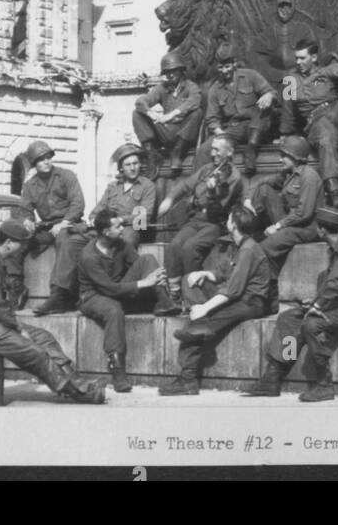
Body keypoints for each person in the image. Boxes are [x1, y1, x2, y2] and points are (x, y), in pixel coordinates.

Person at [241, 207, 338, 402]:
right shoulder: (336, 247)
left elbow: (337, 281)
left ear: (321, 230)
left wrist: (318, 306)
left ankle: (324, 384)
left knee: (311, 325)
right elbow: (331, 282)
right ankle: (275, 374)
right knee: (288, 318)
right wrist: (314, 301)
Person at [0, 220, 104, 405]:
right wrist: (19, 328)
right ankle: (78, 393)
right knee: (35, 352)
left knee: (44, 337)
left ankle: (78, 382)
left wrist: (16, 326)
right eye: (22, 243)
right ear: (9, 242)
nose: (24, 247)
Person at [158, 204, 270, 396]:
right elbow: (221, 272)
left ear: (233, 225)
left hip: (250, 302)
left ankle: (188, 379)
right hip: (237, 296)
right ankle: (196, 316)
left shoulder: (248, 250)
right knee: (189, 280)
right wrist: (204, 273)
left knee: (201, 321)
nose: (226, 222)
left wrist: (205, 308)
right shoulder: (237, 245)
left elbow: (233, 290)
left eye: (228, 219)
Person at [153, 134, 243, 316]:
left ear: (229, 152)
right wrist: (169, 199)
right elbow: (186, 186)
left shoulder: (234, 177)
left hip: (214, 223)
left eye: (217, 149)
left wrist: (212, 191)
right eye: (212, 148)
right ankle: (175, 295)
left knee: (190, 248)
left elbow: (220, 207)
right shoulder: (207, 169)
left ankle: (192, 294)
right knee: (174, 246)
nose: (212, 152)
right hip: (196, 220)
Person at [77, 208, 164, 393]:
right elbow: (108, 288)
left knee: (148, 258)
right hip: (93, 296)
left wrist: (156, 276)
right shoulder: (89, 256)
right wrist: (144, 282)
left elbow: (139, 264)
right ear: (106, 232)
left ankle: (165, 302)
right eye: (118, 226)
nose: (123, 229)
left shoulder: (121, 244)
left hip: (116, 290)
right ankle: (117, 371)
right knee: (113, 310)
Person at [280, 40, 338, 209]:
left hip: (336, 114)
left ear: (313, 57)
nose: (298, 62)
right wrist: (285, 135)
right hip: (316, 122)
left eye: (302, 58)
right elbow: (287, 110)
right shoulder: (290, 80)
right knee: (325, 135)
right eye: (296, 58)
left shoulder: (326, 71)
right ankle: (333, 188)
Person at [17, 139, 88, 316]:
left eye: (48, 157)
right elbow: (25, 210)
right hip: (47, 227)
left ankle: (58, 295)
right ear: (34, 164)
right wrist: (27, 221)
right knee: (18, 242)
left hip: (70, 224)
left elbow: (78, 204)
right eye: (41, 159)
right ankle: (15, 287)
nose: (47, 161)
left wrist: (63, 223)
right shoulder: (30, 185)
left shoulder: (66, 176)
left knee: (65, 240)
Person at [252, 135, 323, 304]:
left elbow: (303, 214)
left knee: (266, 246)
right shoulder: (289, 174)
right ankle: (248, 225)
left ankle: (270, 295)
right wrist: (249, 199)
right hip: (291, 222)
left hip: (308, 227)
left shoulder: (309, 177)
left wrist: (277, 226)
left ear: (296, 157)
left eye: (285, 156)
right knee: (265, 189)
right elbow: (264, 183)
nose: (281, 159)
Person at [195, 43, 276, 175]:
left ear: (234, 64)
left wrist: (268, 96)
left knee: (264, 111)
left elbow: (272, 93)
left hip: (256, 125)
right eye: (220, 67)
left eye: (227, 66)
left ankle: (251, 149)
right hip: (233, 129)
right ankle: (198, 185)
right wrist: (221, 135)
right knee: (205, 149)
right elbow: (212, 118)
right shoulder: (215, 89)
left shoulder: (250, 76)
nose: (224, 71)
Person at [132, 51, 203, 177]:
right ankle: (151, 155)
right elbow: (141, 101)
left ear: (181, 70)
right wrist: (150, 113)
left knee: (197, 113)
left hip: (184, 134)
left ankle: (178, 153)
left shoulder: (190, 86)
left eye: (174, 71)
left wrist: (171, 115)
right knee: (137, 114)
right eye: (167, 72)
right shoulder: (162, 88)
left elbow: (195, 100)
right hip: (166, 133)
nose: (170, 75)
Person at [94, 143, 157, 247]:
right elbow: (99, 208)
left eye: (135, 163)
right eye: (128, 165)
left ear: (140, 164)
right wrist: (94, 219)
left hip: (130, 228)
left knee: (125, 241)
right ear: (121, 168)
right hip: (109, 227)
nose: (132, 168)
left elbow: (144, 217)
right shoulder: (113, 186)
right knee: (76, 241)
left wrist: (121, 220)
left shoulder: (147, 185)